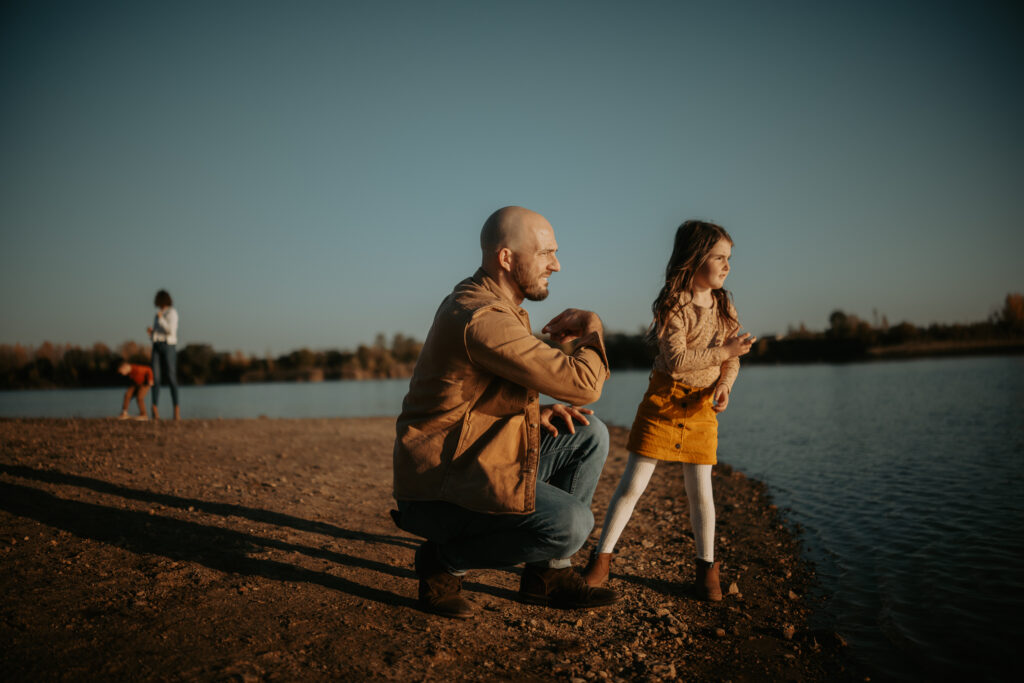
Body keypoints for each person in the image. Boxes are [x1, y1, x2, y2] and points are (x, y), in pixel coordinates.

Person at [391, 206, 620, 619]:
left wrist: (534, 412)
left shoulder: (496, 304)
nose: (557, 264)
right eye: (546, 253)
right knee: (571, 524)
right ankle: (443, 562)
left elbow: (476, 399)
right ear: (506, 258)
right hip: (439, 486)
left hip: (467, 459)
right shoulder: (482, 317)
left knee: (589, 434)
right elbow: (584, 385)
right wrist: (593, 328)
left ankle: (547, 577)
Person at [581, 219, 755, 601]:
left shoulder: (725, 305)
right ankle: (601, 558)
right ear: (693, 260)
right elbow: (676, 360)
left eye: (730, 258)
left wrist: (724, 384)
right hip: (663, 401)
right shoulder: (674, 304)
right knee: (632, 486)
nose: (727, 266)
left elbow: (732, 361)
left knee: (701, 493)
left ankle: (707, 571)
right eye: (719, 257)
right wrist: (727, 352)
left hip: (702, 407)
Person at [147, 289, 180, 420]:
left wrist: (160, 320)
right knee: (155, 377)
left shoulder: (172, 313)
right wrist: (152, 332)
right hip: (156, 345)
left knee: (171, 376)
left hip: (169, 345)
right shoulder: (158, 314)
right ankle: (154, 409)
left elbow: (170, 330)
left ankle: (176, 409)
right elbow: (159, 332)